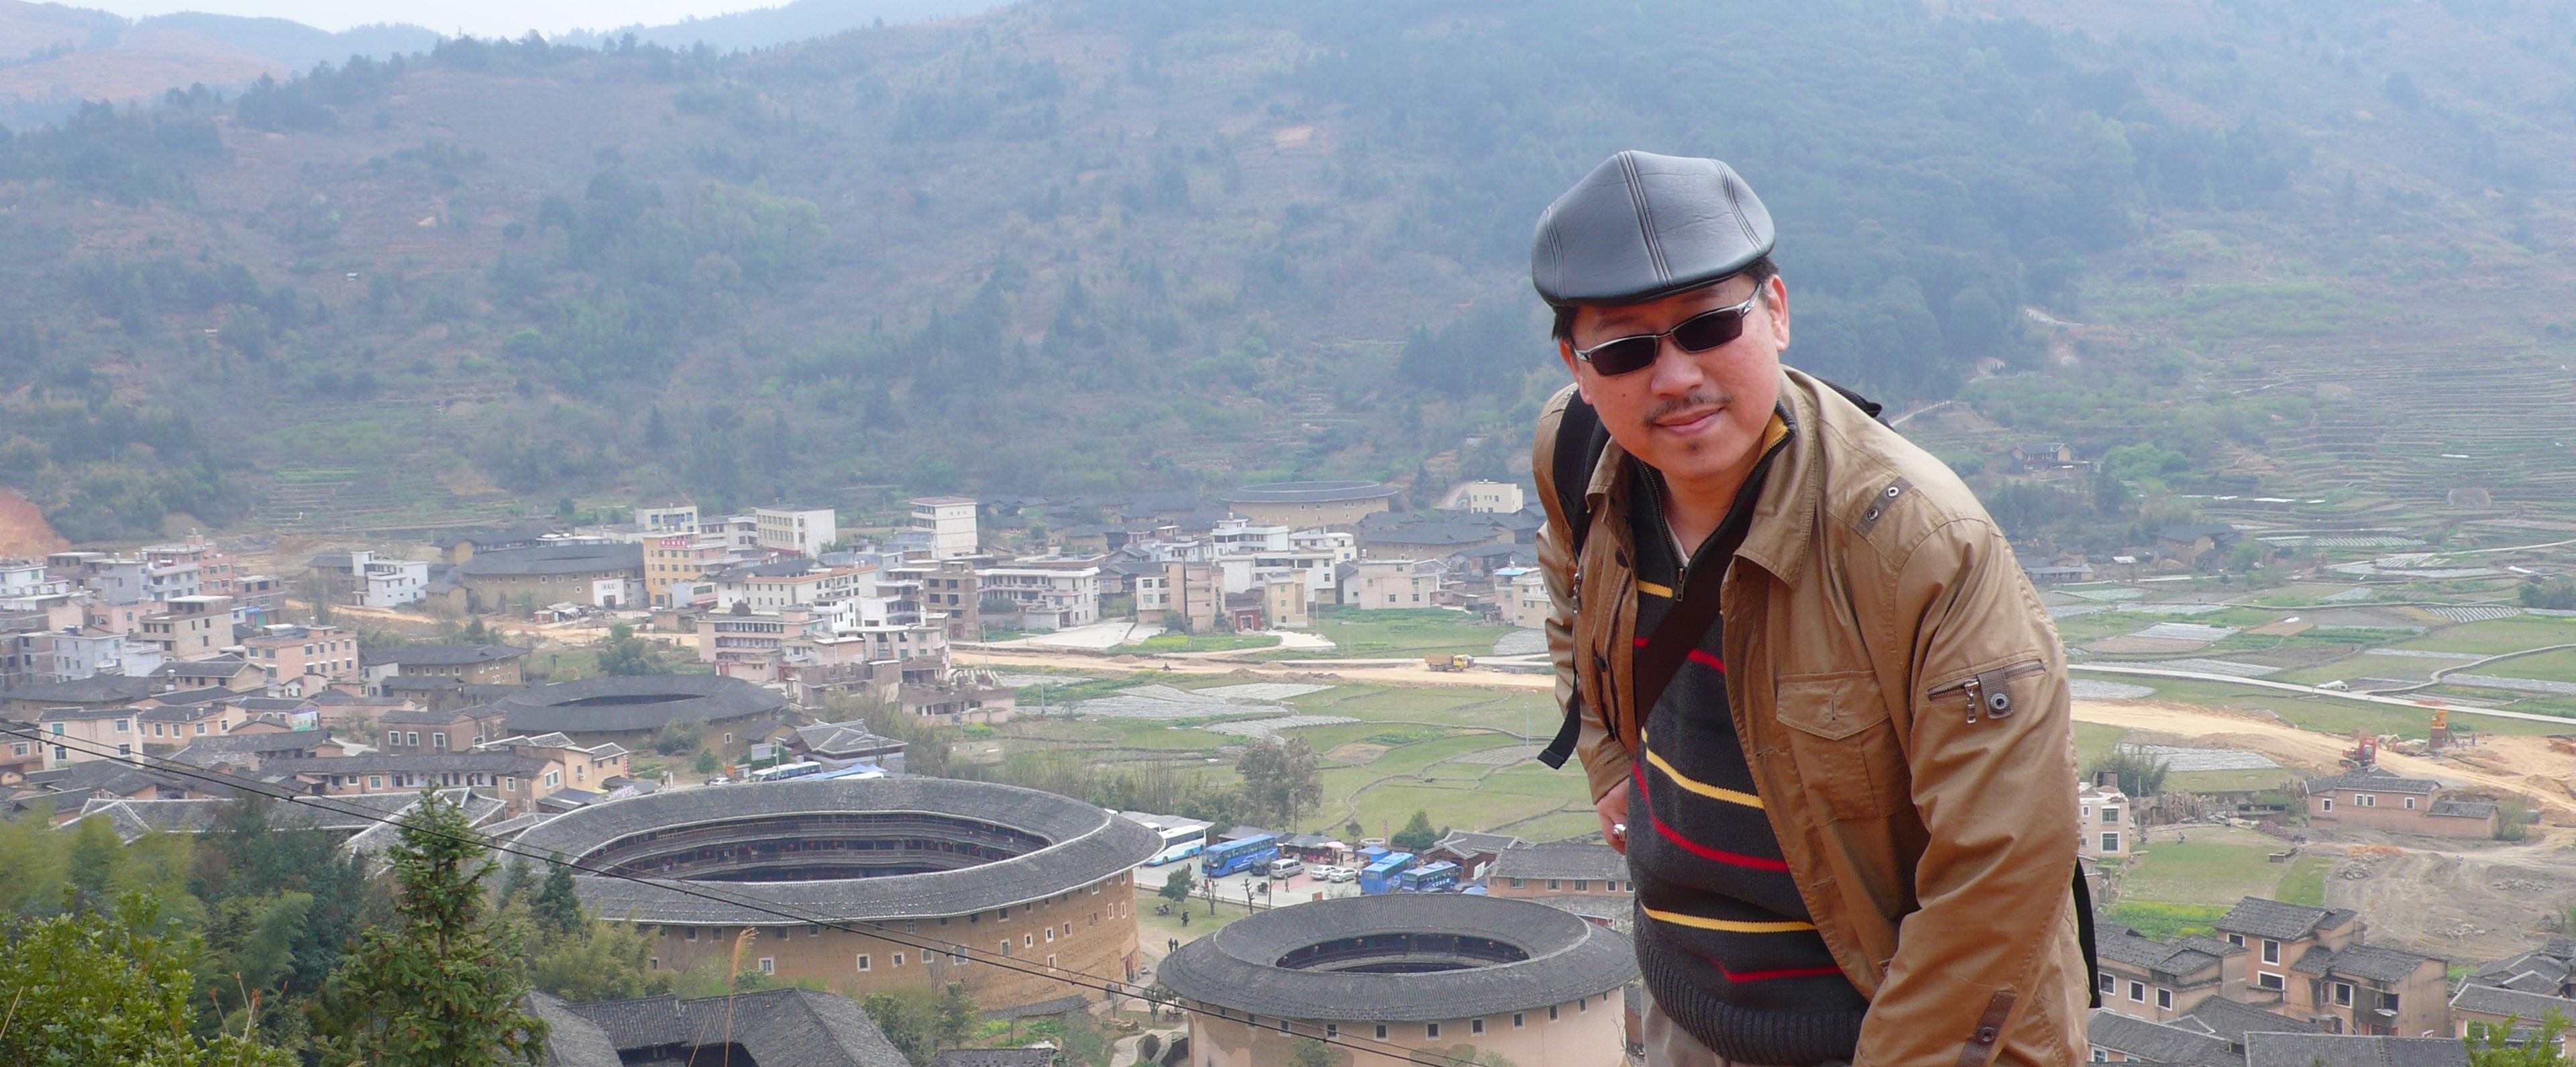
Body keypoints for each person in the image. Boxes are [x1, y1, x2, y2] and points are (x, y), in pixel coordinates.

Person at [1529, 151, 2090, 1067]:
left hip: (1891, 1027)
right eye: (1628, 349)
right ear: (1579, 367)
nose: (1675, 377)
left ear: (1777, 312)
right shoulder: (1577, 450)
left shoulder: (1917, 543)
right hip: (1690, 1009)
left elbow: (2004, 862)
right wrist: (1606, 761)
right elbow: (1570, 589)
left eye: (1710, 326)